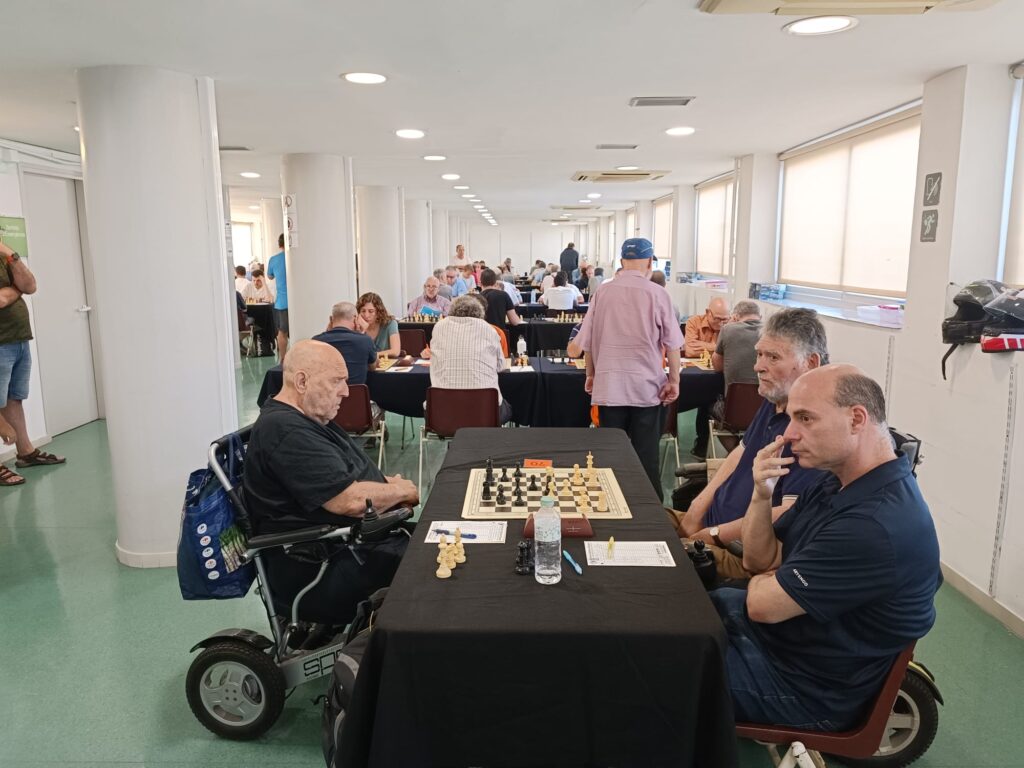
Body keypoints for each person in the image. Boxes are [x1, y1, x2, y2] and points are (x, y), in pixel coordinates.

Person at [712, 365, 941, 731]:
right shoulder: (837, 481)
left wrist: (773, 579)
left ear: (856, 419)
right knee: (671, 622)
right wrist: (761, 495)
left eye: (805, 418)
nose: (789, 434)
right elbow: (760, 560)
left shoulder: (873, 526)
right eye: (791, 418)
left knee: (653, 666)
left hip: (800, 687)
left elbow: (762, 606)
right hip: (777, 644)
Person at [243, 340, 418, 625]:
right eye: (337, 381)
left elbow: (349, 475)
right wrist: (400, 491)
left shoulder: (309, 420)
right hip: (321, 566)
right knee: (437, 565)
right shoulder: (287, 432)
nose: (346, 391)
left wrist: (389, 487)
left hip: (347, 545)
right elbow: (350, 500)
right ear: (302, 382)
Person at [674, 309, 828, 572]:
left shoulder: (813, 429)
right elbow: (741, 453)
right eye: (759, 354)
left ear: (810, 363)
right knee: (634, 522)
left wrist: (713, 535)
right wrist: (696, 508)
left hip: (738, 550)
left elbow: (789, 511)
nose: (758, 366)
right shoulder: (775, 399)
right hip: (710, 524)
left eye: (773, 357)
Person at [574, 238, 682, 500]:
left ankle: (610, 506)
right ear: (650, 262)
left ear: (622, 261)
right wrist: (674, 380)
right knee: (646, 457)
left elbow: (587, 342)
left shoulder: (602, 293)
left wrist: (591, 374)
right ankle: (650, 511)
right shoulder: (658, 294)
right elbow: (673, 345)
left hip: (610, 388)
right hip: (647, 389)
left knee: (611, 456)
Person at [0, 241, 66, 487]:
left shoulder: (4, 258)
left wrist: (10, 254)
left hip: (18, 339)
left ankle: (26, 453)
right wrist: (17, 290)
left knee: (14, 398)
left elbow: (30, 285)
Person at [429, 295, 514, 424]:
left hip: (442, 414)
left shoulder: (439, 327)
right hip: (485, 413)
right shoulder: (489, 329)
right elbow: (501, 366)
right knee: (507, 406)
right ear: (480, 313)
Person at [313, 302, 378, 386]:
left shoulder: (316, 342)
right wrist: (362, 333)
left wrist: (327, 331)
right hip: (356, 394)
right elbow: (373, 367)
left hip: (328, 394)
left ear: (331, 319)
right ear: (356, 319)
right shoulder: (365, 340)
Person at [266, 234, 289, 363]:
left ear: (279, 244)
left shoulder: (274, 259)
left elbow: (270, 276)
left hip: (282, 302)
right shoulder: (299, 257)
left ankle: (283, 360)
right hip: (300, 301)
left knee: (282, 332)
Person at [479, 268, 523, 335]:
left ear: (480, 283)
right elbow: (514, 321)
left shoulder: (476, 298)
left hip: (480, 335)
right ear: (495, 282)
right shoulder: (503, 295)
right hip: (499, 335)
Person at [357, 292, 400, 358]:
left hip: (386, 363)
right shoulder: (356, 325)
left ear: (378, 312)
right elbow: (356, 352)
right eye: (363, 311)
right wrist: (362, 332)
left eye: (371, 311)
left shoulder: (390, 323)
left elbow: (395, 351)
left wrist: (372, 355)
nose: (366, 315)